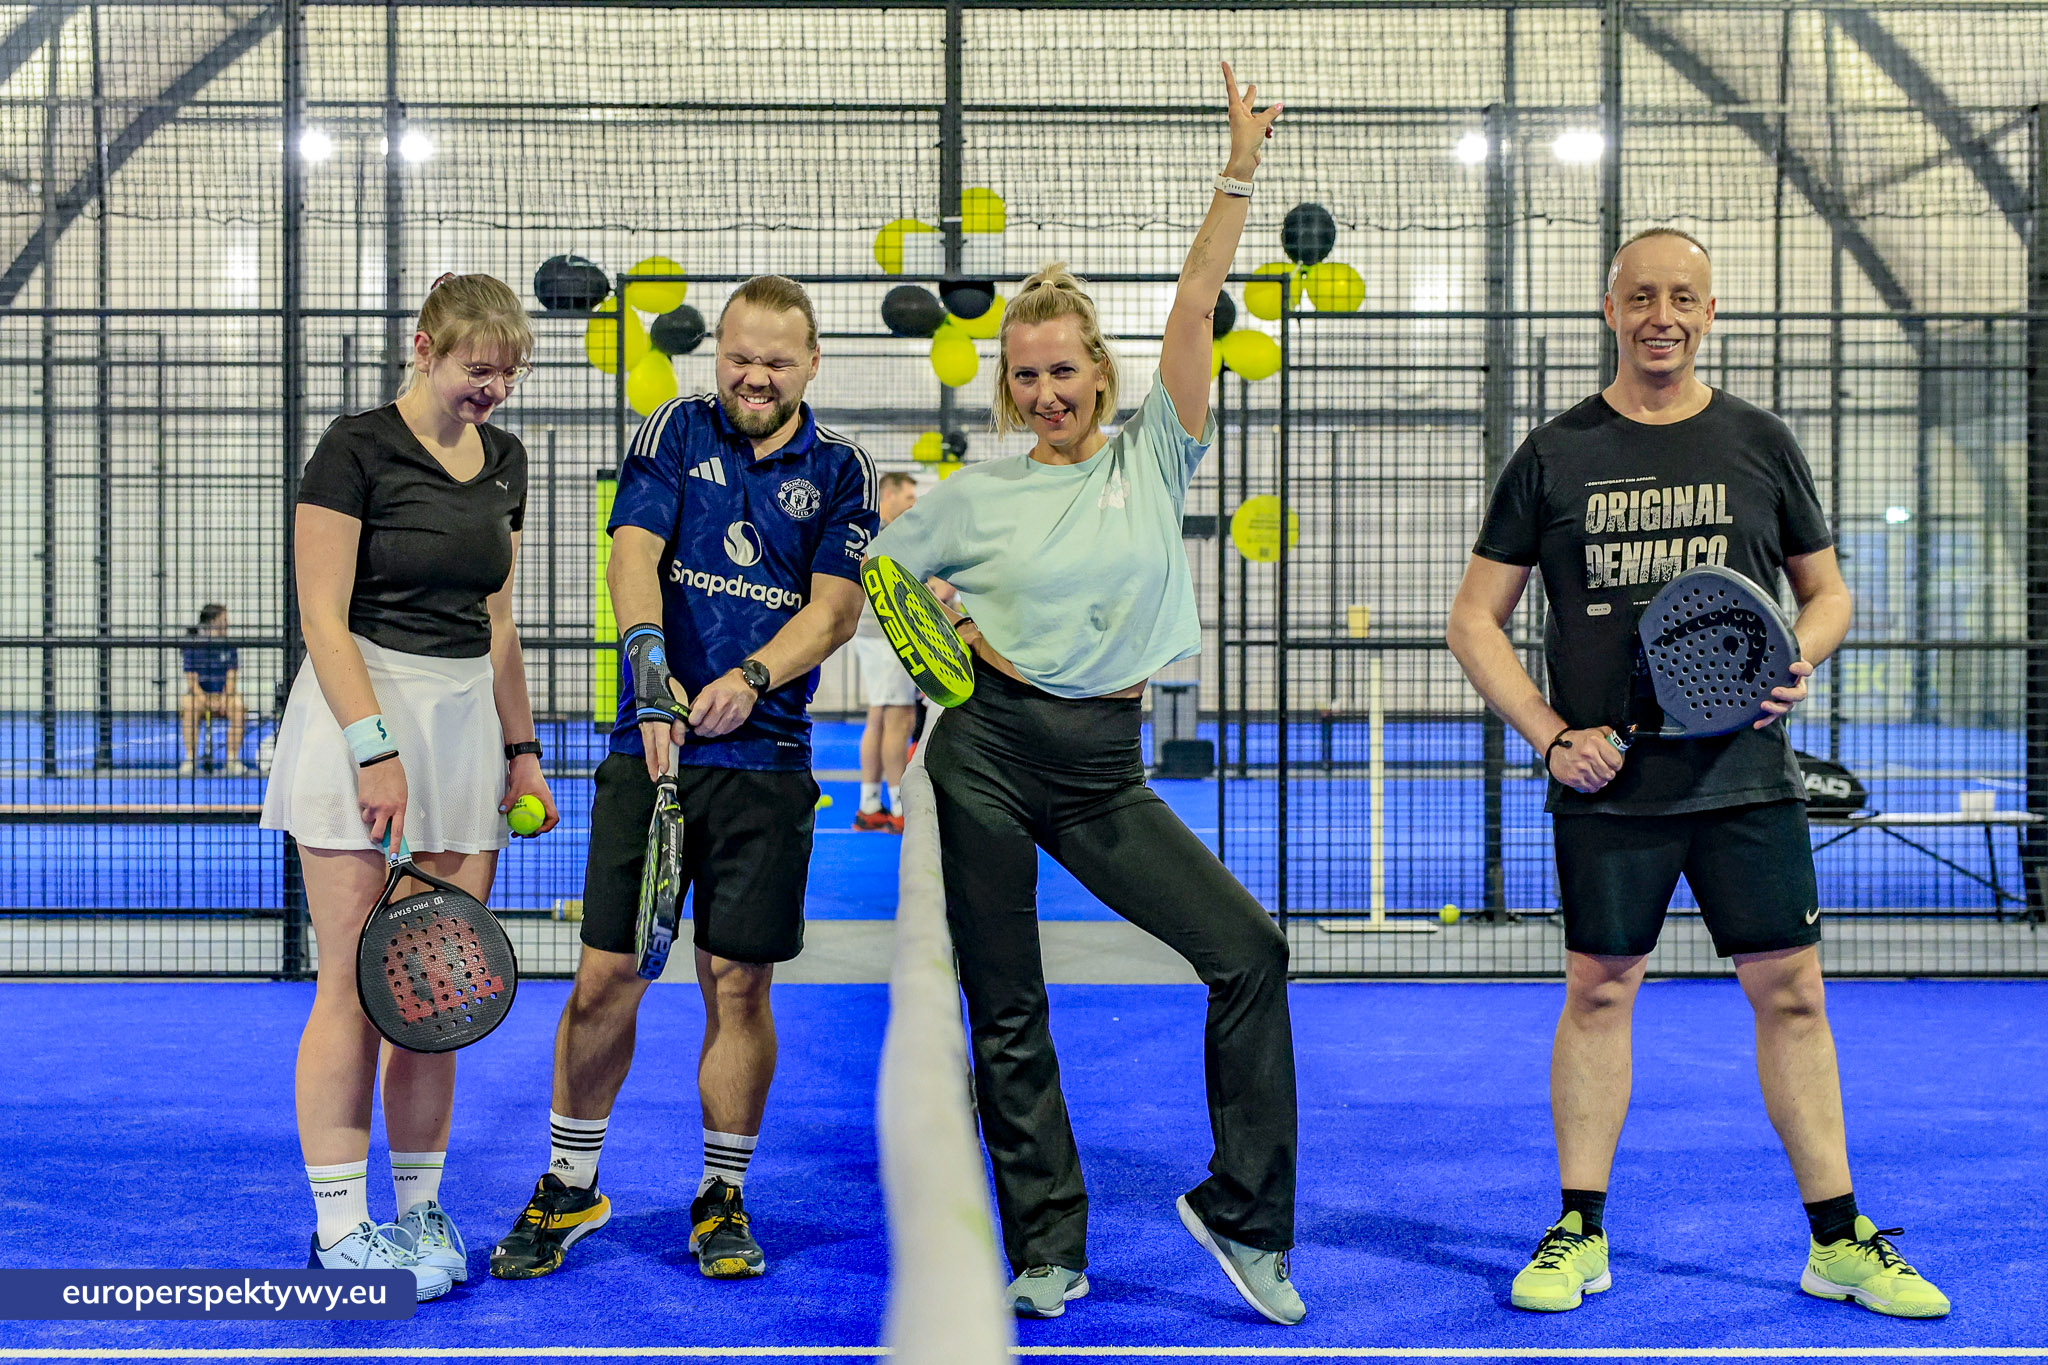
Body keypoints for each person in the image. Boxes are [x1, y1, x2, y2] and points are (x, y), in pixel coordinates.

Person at [865, 66, 1302, 1327]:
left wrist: (1236, 170)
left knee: (1248, 953)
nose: (1044, 394)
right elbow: (882, 571)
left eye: (1061, 371)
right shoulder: (973, 495)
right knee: (1006, 1007)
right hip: (986, 758)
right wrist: (946, 627)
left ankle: (1241, 1212)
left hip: (1107, 768)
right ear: (1004, 385)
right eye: (1024, 377)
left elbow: (1196, 301)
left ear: (1098, 372)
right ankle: (1048, 1244)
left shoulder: (1155, 453)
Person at [1446, 228, 1949, 1318]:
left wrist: (1800, 654)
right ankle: (1578, 1231)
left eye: (1681, 297)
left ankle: (1838, 1241)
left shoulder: (1759, 442)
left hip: (1746, 779)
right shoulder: (1552, 454)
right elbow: (1473, 619)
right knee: (1598, 990)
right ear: (1609, 310)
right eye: (1640, 297)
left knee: (1792, 995)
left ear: (1709, 312)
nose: (1660, 316)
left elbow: (1827, 593)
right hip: (1608, 786)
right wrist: (1550, 735)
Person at [490, 276, 875, 1284]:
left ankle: (722, 1194)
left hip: (767, 765)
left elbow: (834, 611)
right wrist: (650, 668)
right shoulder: (673, 428)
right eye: (740, 356)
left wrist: (751, 679)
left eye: (776, 361)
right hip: (648, 753)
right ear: (719, 354)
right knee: (604, 978)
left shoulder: (843, 469)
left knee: (737, 984)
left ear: (811, 363)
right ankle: (570, 1183)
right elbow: (633, 555)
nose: (755, 376)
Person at [260, 272, 558, 1299]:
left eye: (508, 374)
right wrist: (373, 745)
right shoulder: (354, 449)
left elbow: (500, 622)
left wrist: (522, 749)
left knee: (437, 988)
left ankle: (420, 1208)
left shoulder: (507, 460)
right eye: (480, 368)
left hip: (465, 726)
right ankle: (341, 1225)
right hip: (358, 716)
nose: (494, 389)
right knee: (352, 984)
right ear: (424, 348)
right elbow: (321, 616)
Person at [851, 471, 946, 832]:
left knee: (878, 716)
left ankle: (869, 805)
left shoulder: (871, 531)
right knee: (899, 718)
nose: (913, 504)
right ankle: (898, 807)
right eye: (908, 496)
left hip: (872, 634)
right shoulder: (886, 534)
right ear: (887, 496)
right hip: (886, 634)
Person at [179, 603, 245, 775]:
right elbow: (192, 682)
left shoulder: (229, 645)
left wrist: (224, 698)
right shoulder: (193, 645)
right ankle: (190, 758)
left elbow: (231, 677)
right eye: (224, 619)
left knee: (238, 706)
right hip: (200, 695)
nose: (227, 623)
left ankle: (232, 759)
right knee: (189, 706)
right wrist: (205, 700)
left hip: (223, 696)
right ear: (213, 621)